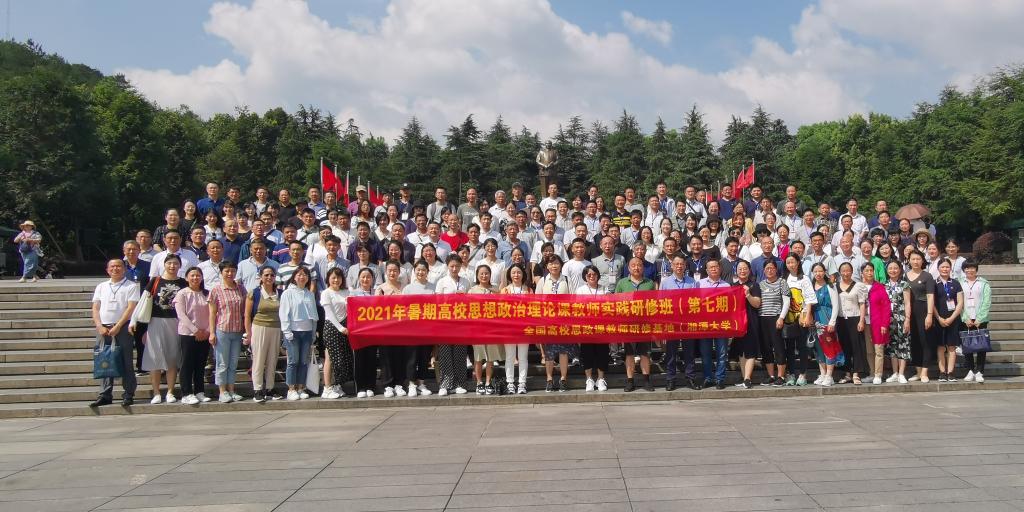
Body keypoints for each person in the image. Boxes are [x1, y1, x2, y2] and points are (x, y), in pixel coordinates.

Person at [133, 254, 186, 404]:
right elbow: (143, 302)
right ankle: (156, 392)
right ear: (164, 265)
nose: (172, 266)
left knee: (172, 358)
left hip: (176, 322)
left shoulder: (183, 283)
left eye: (175, 263)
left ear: (180, 266)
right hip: (156, 321)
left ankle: (170, 391)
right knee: (155, 358)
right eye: (169, 263)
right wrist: (134, 321)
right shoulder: (155, 281)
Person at [89, 259, 140, 407]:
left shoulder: (131, 286)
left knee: (126, 361)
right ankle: (105, 394)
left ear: (124, 269)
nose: (115, 269)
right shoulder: (101, 286)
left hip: (122, 327)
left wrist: (118, 326)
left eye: (118, 266)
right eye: (112, 266)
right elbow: (95, 308)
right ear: (107, 269)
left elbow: (131, 308)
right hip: (103, 328)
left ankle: (128, 393)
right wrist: (99, 325)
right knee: (104, 360)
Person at [615, 257, 657, 392]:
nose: (636, 267)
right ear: (628, 268)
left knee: (645, 353)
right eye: (633, 265)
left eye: (639, 265)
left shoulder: (649, 283)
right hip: (628, 324)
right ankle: (630, 381)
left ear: (643, 268)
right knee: (629, 354)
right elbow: (615, 302)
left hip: (645, 324)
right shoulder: (622, 283)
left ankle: (646, 380)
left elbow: (654, 303)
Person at [208, 261, 246, 402]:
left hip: (237, 330)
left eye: (233, 271)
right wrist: (212, 333)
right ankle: (222, 391)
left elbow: (244, 310)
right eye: (227, 271)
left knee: (233, 363)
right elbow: (212, 313)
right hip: (222, 330)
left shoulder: (241, 288)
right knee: (222, 363)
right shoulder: (216, 290)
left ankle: (231, 390)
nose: (230, 274)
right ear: (221, 272)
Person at [173, 267, 211, 405]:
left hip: (205, 334)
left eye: (198, 275)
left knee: (201, 363)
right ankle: (186, 393)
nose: (195, 278)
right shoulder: (182, 293)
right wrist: (195, 330)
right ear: (187, 278)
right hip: (188, 333)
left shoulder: (207, 293)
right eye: (192, 275)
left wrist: (207, 330)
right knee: (187, 364)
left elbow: (214, 313)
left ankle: (199, 391)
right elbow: (181, 315)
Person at [279, 266, 318, 400]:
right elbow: (283, 314)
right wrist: (287, 331)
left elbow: (314, 315)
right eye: (299, 274)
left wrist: (313, 332)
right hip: (293, 331)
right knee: (293, 361)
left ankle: (301, 387)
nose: (302, 277)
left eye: (305, 275)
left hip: (307, 332)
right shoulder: (287, 293)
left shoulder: (309, 294)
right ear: (294, 277)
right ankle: (291, 389)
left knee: (303, 361)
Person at [245, 266, 283, 402]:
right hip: (259, 327)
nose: (269, 277)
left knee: (273, 359)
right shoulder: (254, 293)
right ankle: (258, 389)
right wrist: (248, 333)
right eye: (266, 275)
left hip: (276, 328)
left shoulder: (280, 293)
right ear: (261, 277)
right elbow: (247, 315)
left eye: (272, 275)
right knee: (259, 359)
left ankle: (270, 388)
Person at [435, 254, 470, 395]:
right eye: (452, 266)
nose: (454, 269)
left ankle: (459, 383)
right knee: (445, 353)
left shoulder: (466, 282)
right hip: (445, 321)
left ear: (461, 266)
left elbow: (471, 301)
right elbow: (437, 302)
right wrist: (450, 298)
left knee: (460, 353)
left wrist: (463, 297)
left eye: (457, 266)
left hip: (461, 321)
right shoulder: (442, 282)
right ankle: (445, 384)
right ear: (447, 266)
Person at [539, 254, 575, 392]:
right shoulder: (543, 280)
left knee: (563, 351)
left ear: (561, 265)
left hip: (564, 320)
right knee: (549, 353)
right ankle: (549, 379)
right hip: (548, 320)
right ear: (547, 266)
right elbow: (537, 301)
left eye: (556, 263)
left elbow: (573, 299)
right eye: (551, 263)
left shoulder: (566, 279)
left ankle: (563, 379)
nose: (554, 266)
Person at [401, 261, 435, 396]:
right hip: (412, 328)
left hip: (427, 328)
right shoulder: (408, 288)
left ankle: (421, 383)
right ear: (414, 271)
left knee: (424, 356)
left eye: (423, 270)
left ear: (427, 272)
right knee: (411, 357)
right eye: (418, 270)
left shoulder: (433, 287)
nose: (421, 272)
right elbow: (403, 308)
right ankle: (411, 384)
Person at [467, 265, 503, 395]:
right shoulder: (472, 290)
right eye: (481, 274)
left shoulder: (495, 290)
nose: (484, 276)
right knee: (478, 357)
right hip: (477, 328)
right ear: (477, 275)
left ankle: (488, 382)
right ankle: (479, 382)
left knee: (490, 358)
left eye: (486, 273)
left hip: (492, 328)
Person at [573, 265, 609, 392]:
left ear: (598, 275)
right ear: (585, 277)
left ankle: (600, 379)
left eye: (594, 274)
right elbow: (577, 308)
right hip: (586, 327)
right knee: (587, 353)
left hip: (601, 327)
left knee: (602, 353)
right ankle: (589, 379)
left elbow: (609, 306)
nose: (592, 276)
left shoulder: (604, 289)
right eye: (589, 275)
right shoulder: (580, 290)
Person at [756, 260, 791, 386]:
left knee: (779, 347)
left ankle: (781, 376)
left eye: (772, 268)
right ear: (764, 270)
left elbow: (786, 302)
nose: (769, 270)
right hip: (762, 318)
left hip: (776, 318)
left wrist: (781, 318)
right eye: (767, 268)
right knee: (766, 348)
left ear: (776, 269)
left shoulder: (782, 282)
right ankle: (771, 375)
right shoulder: (760, 284)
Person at [783, 254, 816, 386]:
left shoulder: (804, 278)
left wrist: (808, 316)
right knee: (789, 347)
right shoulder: (784, 278)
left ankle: (803, 374)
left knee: (802, 347)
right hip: (788, 318)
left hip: (801, 317)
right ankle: (791, 373)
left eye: (793, 262)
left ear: (798, 263)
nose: (791, 265)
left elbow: (809, 299)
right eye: (788, 262)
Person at [698, 259, 730, 389]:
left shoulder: (726, 285)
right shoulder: (699, 284)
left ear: (720, 269)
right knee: (705, 353)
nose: (713, 269)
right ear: (706, 270)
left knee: (721, 353)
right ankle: (708, 377)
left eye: (716, 266)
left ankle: (719, 378)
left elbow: (730, 305)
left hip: (721, 324)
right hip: (704, 323)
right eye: (711, 267)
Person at [810, 263, 843, 386]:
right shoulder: (811, 286)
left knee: (829, 346)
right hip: (814, 320)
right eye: (815, 271)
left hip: (826, 318)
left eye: (820, 271)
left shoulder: (830, 286)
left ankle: (829, 375)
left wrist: (832, 321)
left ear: (824, 272)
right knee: (818, 348)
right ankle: (822, 374)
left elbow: (836, 305)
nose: (818, 274)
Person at [905, 250, 936, 383]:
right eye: (913, 259)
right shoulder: (905, 276)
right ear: (909, 260)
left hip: (924, 310)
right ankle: (918, 372)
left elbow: (930, 296)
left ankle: (924, 372)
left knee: (925, 341)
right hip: (909, 312)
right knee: (915, 342)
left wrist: (929, 315)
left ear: (922, 260)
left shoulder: (927, 276)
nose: (916, 261)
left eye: (918, 259)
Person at [835, 262, 867, 385]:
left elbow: (862, 304)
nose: (846, 273)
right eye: (843, 271)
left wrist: (861, 320)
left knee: (856, 346)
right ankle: (847, 373)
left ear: (852, 271)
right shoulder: (835, 286)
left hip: (855, 318)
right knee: (844, 347)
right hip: (841, 320)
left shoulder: (858, 286)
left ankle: (856, 374)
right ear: (840, 272)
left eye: (848, 270)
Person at [861, 262, 892, 385]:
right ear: (862, 273)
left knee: (878, 349)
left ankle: (878, 374)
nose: (869, 273)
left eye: (871, 270)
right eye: (866, 270)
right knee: (869, 351)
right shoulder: (859, 286)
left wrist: (884, 324)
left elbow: (886, 306)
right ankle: (872, 373)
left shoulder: (879, 287)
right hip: (865, 323)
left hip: (877, 322)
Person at [933, 258, 964, 381]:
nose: (945, 269)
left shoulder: (955, 283)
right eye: (942, 267)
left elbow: (960, 302)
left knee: (952, 347)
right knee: (940, 347)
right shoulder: (934, 283)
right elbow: (931, 303)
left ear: (950, 269)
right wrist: (938, 318)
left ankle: (950, 372)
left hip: (953, 319)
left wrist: (952, 318)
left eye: (947, 267)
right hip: (938, 319)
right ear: (938, 268)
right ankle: (942, 372)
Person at [961, 261, 991, 382]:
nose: (970, 270)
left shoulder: (984, 283)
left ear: (976, 269)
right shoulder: (960, 282)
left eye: (972, 268)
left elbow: (987, 301)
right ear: (964, 270)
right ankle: (969, 370)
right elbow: (958, 302)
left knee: (981, 347)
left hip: (980, 319)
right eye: (967, 268)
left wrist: (980, 318)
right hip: (966, 319)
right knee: (967, 346)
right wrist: (965, 317)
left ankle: (979, 371)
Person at [884, 261, 913, 384]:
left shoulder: (904, 284)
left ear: (900, 270)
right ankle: (895, 373)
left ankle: (901, 373)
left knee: (903, 344)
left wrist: (907, 319)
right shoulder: (884, 285)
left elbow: (907, 303)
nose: (893, 270)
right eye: (890, 268)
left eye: (895, 268)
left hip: (901, 318)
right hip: (888, 320)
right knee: (892, 346)